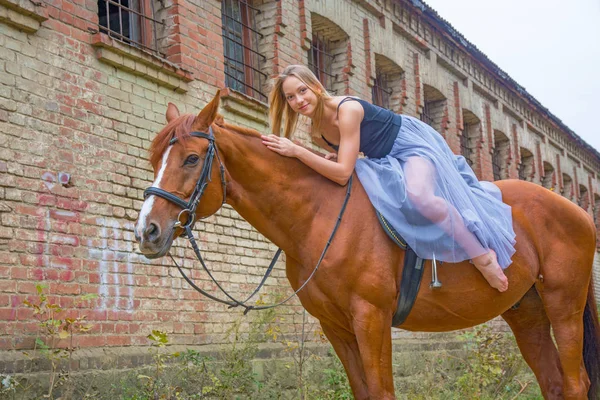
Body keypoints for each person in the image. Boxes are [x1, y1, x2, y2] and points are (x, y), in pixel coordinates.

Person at [261, 65, 516, 292]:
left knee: (420, 197)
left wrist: (297, 151)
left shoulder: (346, 110)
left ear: (316, 87)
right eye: (290, 97)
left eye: (302, 91)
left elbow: (342, 174)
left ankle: (483, 256)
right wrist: (329, 156)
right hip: (382, 160)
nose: (298, 100)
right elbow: (346, 159)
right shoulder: (317, 132)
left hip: (409, 145)